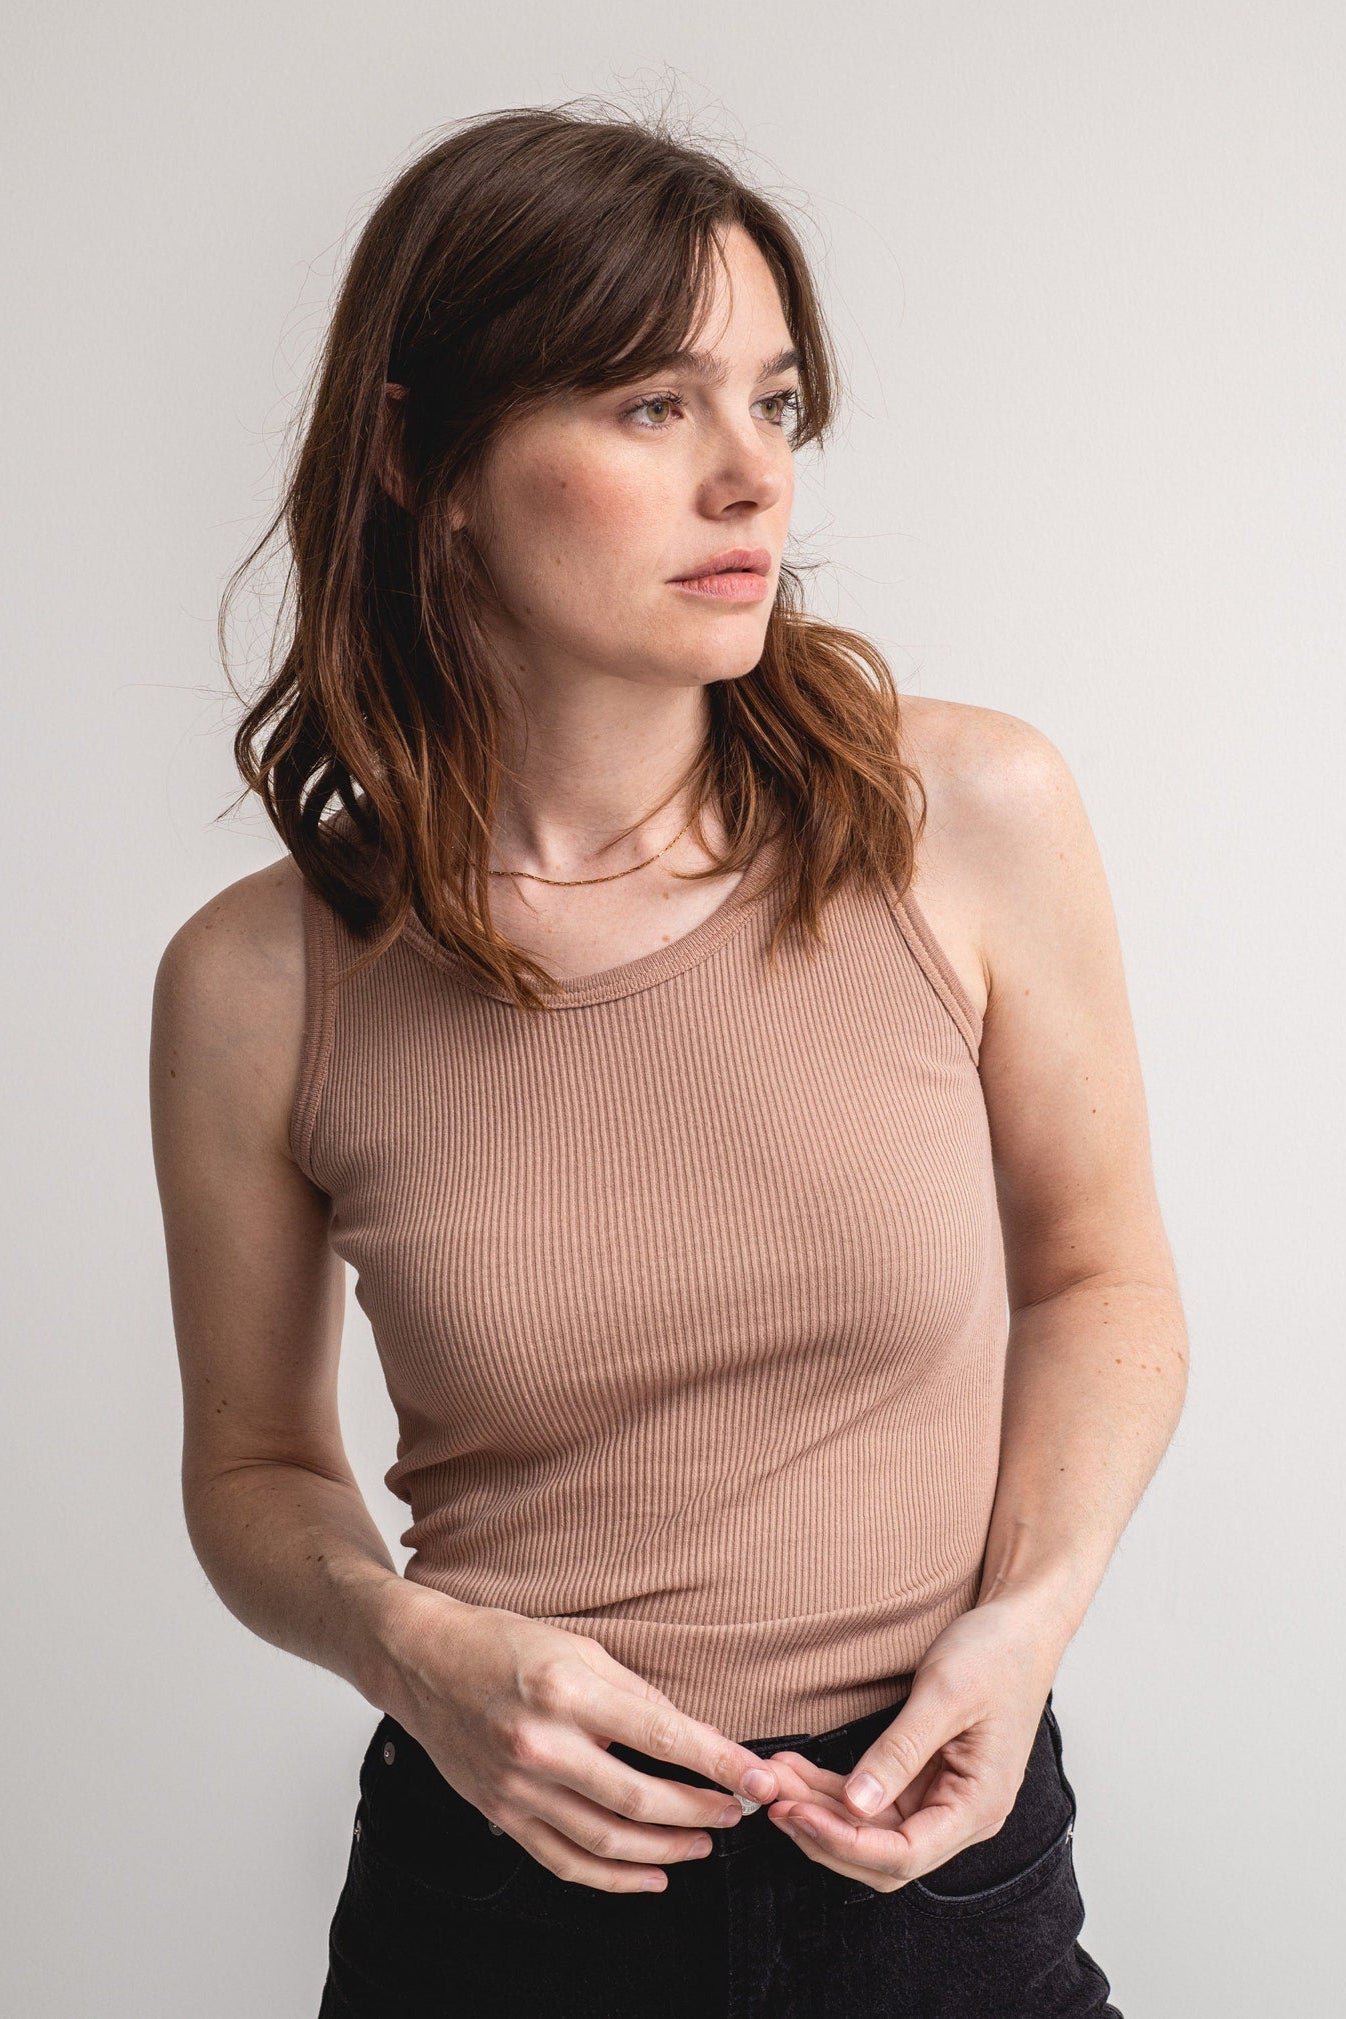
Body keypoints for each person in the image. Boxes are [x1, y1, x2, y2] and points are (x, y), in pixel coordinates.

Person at [149, 102, 1187, 2017]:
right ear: (422, 460)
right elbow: (258, 1466)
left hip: (932, 1867)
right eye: (650, 404)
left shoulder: (962, 817)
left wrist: (1029, 1623)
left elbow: (1097, 1278)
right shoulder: (256, 981)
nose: (749, 475)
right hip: (500, 1900)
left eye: (773, 403)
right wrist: (404, 1648)